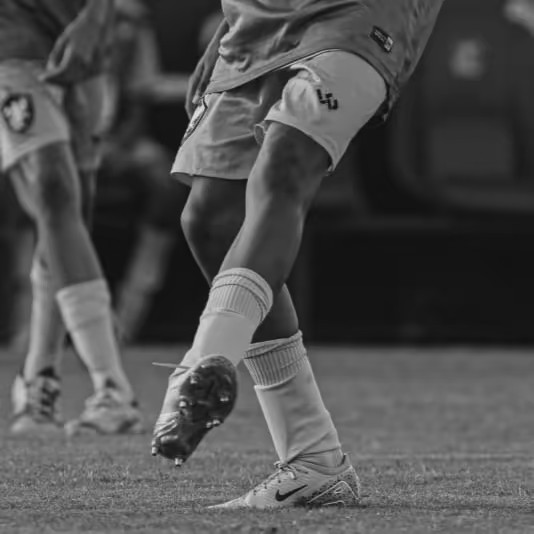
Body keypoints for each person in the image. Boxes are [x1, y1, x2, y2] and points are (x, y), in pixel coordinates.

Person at [151, 0, 445, 508]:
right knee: (211, 219)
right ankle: (314, 460)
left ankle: (200, 364)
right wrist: (225, 28)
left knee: (285, 162)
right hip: (256, 20)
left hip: (355, 14)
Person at [4, 0, 144, 436]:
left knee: (69, 220)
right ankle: (112, 387)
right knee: (54, 192)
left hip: (81, 43)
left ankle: (38, 380)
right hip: (11, 39)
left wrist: (97, 17)